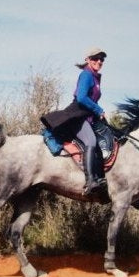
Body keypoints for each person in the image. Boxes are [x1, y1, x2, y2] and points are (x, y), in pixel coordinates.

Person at [41, 47, 108, 196]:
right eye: (96, 58)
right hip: (77, 115)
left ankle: (101, 179)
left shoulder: (95, 77)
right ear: (88, 60)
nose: (99, 61)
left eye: (101, 59)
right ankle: (90, 181)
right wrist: (99, 110)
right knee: (90, 141)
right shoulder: (86, 75)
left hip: (87, 117)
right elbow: (82, 97)